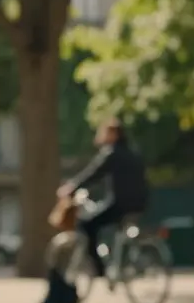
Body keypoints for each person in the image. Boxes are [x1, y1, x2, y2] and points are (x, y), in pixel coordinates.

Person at [57, 119, 150, 280]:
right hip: (139, 203)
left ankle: (100, 269)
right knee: (115, 229)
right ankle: (121, 261)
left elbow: (93, 173)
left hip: (120, 204)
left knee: (87, 225)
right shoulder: (133, 153)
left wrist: (71, 187)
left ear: (113, 134)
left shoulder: (111, 153)